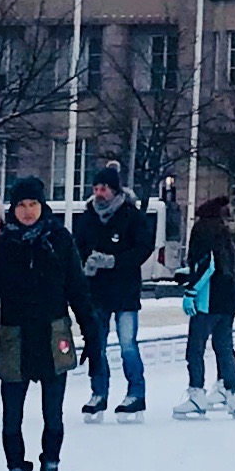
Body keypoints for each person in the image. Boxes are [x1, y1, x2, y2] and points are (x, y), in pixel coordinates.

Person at [0, 176, 84, 471]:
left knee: (53, 414)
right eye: (21, 205)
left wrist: (91, 332)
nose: (27, 211)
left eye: (33, 204)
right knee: (11, 418)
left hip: (53, 333)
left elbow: (77, 288)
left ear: (42, 205)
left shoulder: (59, 240)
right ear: (13, 209)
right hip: (14, 335)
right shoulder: (2, 246)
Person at [72, 164, 154, 418]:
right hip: (97, 292)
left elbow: (143, 248)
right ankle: (99, 392)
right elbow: (78, 247)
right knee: (96, 344)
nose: (99, 193)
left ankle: (136, 393)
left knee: (128, 343)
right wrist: (86, 264)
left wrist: (115, 261)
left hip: (125, 292)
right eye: (96, 188)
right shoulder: (88, 218)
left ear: (114, 189)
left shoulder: (130, 215)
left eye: (104, 188)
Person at [173, 193, 235, 418]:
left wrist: (191, 290)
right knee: (223, 346)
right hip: (229, 299)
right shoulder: (225, 234)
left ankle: (197, 394)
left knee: (195, 348)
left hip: (208, 300)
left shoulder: (203, 230)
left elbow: (207, 265)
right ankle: (233, 393)